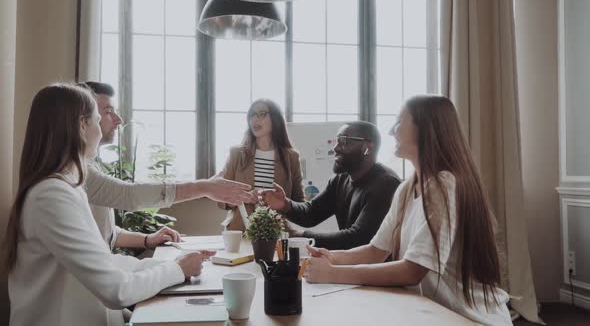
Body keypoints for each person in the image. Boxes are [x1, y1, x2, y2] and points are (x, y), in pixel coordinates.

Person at [3, 84, 213, 326]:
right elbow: (117, 290)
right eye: (97, 119)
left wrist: (170, 264)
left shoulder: (65, 187)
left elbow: (104, 262)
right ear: (81, 126)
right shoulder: (51, 196)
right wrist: (176, 270)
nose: (102, 131)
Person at [303, 95, 512, 326]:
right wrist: (331, 257)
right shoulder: (406, 188)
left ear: (426, 129)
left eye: (399, 121)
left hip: (467, 318)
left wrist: (334, 274)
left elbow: (412, 271)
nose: (392, 131)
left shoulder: (445, 185)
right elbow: (375, 251)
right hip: (429, 312)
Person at [79, 82, 254, 249]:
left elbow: (104, 233)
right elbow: (128, 195)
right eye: (107, 112)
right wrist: (204, 187)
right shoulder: (77, 170)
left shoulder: (90, 164)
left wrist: (148, 239)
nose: (118, 119)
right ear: (81, 122)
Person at [260, 121, 401, 250]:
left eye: (343, 141)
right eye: (336, 141)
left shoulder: (386, 184)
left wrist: (300, 236)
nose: (335, 148)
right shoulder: (340, 180)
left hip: (377, 274)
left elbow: (358, 238)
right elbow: (311, 213)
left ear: (367, 147)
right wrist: (285, 204)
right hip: (350, 266)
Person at [218, 99, 305, 230]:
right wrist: (247, 196)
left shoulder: (291, 156)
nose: (254, 119)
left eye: (261, 114)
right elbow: (221, 200)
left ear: (275, 118)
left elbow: (299, 204)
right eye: (251, 115)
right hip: (240, 231)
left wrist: (278, 201)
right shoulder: (236, 154)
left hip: (277, 233)